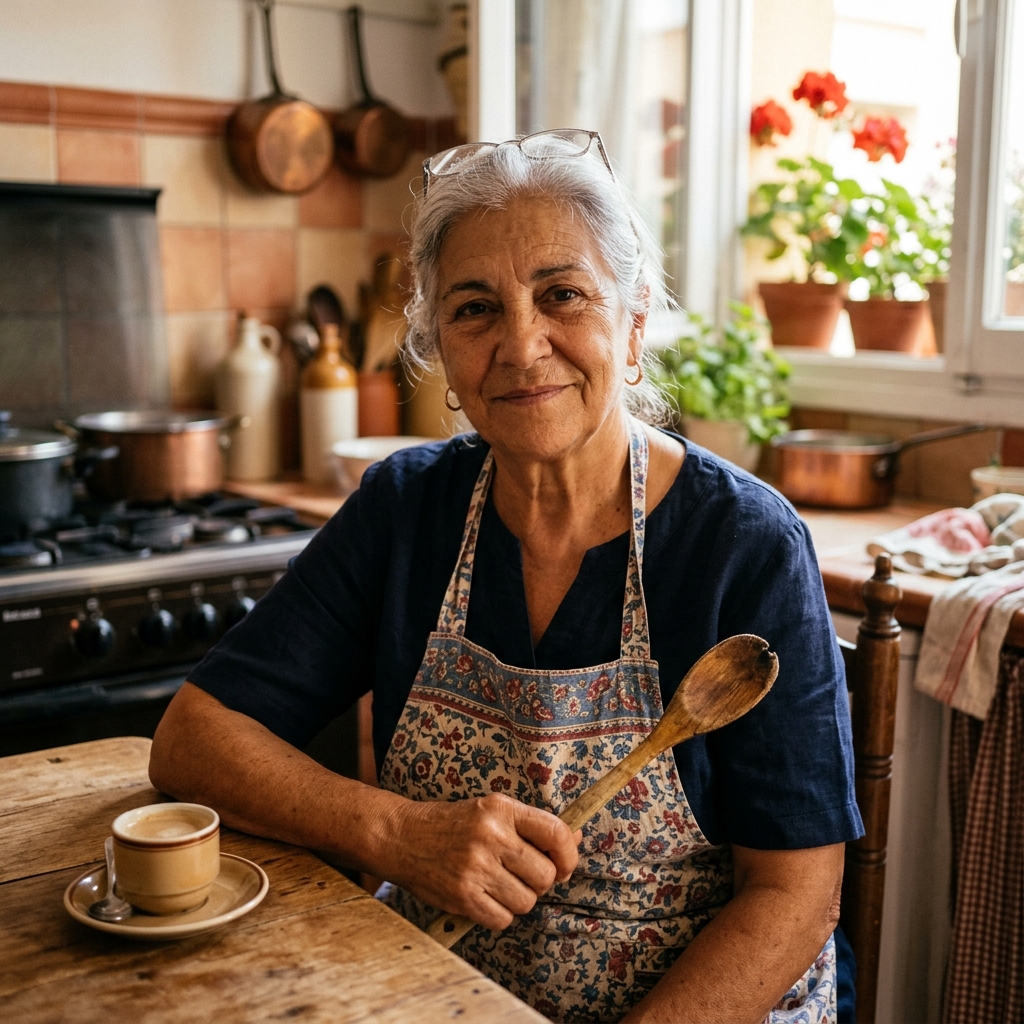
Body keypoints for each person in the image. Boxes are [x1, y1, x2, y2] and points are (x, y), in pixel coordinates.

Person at [150, 129, 862, 1024]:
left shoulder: (743, 544)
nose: (522, 347)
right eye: (475, 307)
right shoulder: (407, 510)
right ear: (439, 350)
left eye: (563, 294)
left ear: (633, 324)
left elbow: (794, 894)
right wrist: (396, 833)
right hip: (445, 995)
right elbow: (192, 740)